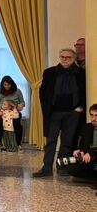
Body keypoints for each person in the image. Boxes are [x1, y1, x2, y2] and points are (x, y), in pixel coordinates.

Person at [33, 48, 86, 178]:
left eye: (68, 57)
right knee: (50, 141)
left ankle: (62, 167)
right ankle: (46, 168)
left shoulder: (81, 73)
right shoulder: (50, 72)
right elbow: (43, 92)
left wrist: (81, 106)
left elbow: (84, 91)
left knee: (67, 141)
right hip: (54, 113)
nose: (64, 59)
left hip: (72, 113)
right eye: (62, 56)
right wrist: (46, 108)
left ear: (74, 59)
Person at [66, 103, 97, 184]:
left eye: (96, 116)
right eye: (92, 115)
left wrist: (91, 153)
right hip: (89, 160)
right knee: (70, 168)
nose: (93, 119)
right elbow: (83, 145)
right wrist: (80, 150)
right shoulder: (87, 127)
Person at [0, 76, 25, 150]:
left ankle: (18, 143)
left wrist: (20, 105)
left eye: (8, 85)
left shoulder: (17, 91)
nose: (7, 87)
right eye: (5, 85)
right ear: (2, 84)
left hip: (13, 111)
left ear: (12, 84)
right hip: (2, 111)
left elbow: (22, 102)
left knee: (17, 124)